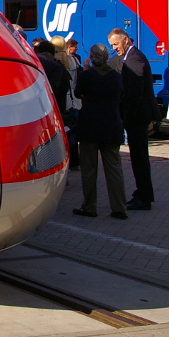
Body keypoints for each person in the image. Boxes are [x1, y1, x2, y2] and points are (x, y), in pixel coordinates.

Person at [72, 44, 128, 219]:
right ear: (106, 57)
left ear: (91, 56)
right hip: (112, 126)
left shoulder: (87, 75)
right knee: (114, 168)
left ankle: (90, 206)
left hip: (90, 126)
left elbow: (78, 92)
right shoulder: (116, 77)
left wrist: (87, 68)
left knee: (89, 169)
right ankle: (119, 207)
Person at [108, 28, 158, 210]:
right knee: (138, 157)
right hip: (136, 114)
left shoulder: (134, 58)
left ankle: (144, 196)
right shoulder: (130, 56)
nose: (114, 48)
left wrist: (127, 114)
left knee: (139, 157)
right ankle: (142, 193)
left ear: (126, 40)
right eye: (112, 45)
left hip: (137, 116)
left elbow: (135, 90)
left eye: (116, 43)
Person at [52, 35, 82, 170]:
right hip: (73, 101)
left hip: (60, 102)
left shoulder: (52, 63)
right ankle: (75, 162)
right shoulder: (73, 60)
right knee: (72, 132)